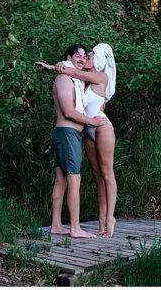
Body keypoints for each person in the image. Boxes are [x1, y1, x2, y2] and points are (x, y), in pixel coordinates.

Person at [37, 44, 106, 238]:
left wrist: (54, 66)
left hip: (68, 134)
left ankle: (56, 225)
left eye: (85, 57)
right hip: (67, 132)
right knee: (75, 179)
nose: (82, 59)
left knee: (61, 180)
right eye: (78, 56)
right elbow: (68, 111)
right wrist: (91, 121)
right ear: (68, 57)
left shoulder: (72, 77)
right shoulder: (65, 79)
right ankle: (75, 228)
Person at [54, 44, 117, 237]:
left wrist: (56, 66)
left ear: (98, 59)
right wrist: (60, 67)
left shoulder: (100, 76)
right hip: (87, 130)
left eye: (89, 56)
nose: (86, 58)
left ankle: (110, 219)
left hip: (100, 126)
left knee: (107, 174)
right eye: (84, 56)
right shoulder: (84, 82)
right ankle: (100, 222)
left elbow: (76, 73)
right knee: (97, 176)